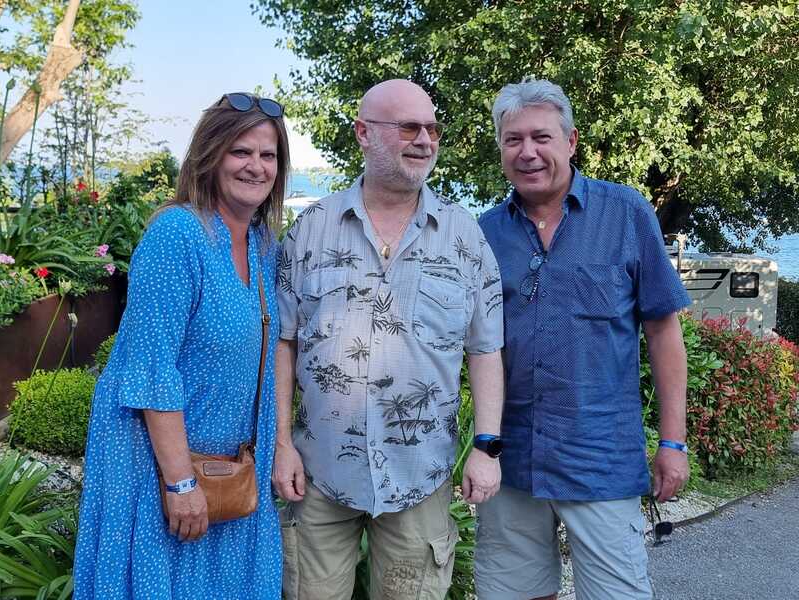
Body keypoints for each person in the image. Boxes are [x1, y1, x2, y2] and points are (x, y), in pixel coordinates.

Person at [274, 79, 504, 600]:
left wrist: (487, 447)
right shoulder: (311, 229)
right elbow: (283, 343)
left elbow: (486, 348)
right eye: (408, 127)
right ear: (363, 133)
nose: (424, 140)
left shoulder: (464, 235)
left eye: (432, 129)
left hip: (420, 474)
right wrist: (281, 444)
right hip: (318, 473)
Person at [475, 78, 691, 600]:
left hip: (599, 460)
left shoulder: (626, 213)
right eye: (513, 139)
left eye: (541, 137)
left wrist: (672, 442)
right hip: (511, 460)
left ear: (570, 141)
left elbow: (663, 331)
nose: (527, 152)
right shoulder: (483, 233)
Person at [73, 92, 290, 599]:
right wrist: (180, 482)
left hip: (232, 471)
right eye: (241, 151)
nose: (256, 166)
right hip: (161, 472)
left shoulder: (262, 245)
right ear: (210, 155)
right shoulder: (178, 235)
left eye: (268, 155)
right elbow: (151, 367)